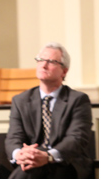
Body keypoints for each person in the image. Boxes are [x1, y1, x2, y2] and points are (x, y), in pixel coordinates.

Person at [5, 42, 93, 178]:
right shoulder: (20, 100)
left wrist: (48, 156)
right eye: (40, 60)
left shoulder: (78, 100)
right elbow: (13, 137)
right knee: (26, 172)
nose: (43, 65)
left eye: (51, 62)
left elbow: (77, 138)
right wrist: (20, 154)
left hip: (66, 163)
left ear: (64, 71)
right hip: (31, 162)